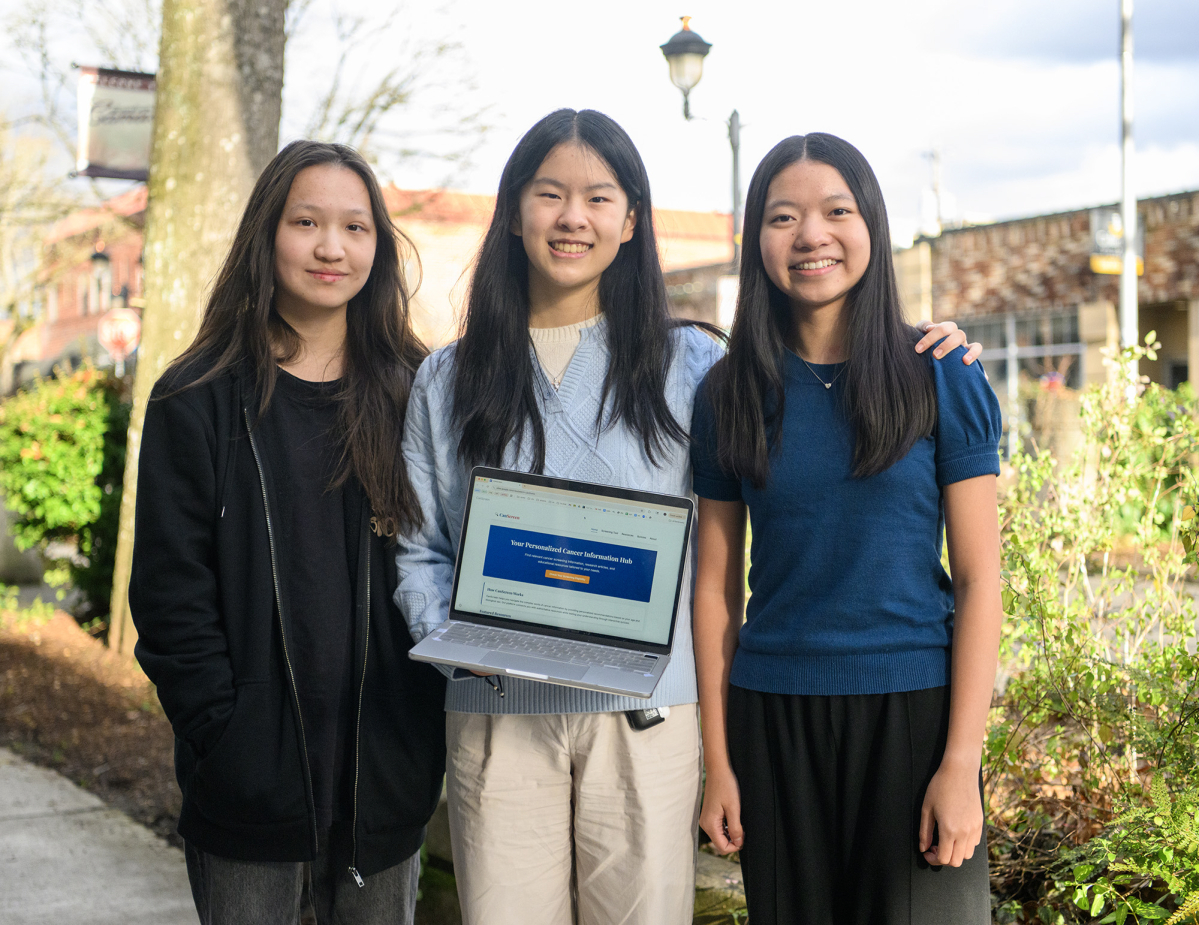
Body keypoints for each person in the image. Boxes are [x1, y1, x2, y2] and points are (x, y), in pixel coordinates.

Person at [395, 109, 981, 925]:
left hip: (647, 720)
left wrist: (936, 341)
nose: (573, 217)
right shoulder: (448, 377)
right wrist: (465, 648)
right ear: (514, 210)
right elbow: (420, 549)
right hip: (498, 708)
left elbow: (726, 557)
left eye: (598, 197)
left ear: (632, 220)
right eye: (549, 194)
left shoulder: (696, 366)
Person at [129, 140, 447, 925]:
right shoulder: (196, 397)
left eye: (355, 226)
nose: (331, 247)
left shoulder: (420, 394)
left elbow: (448, 560)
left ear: (378, 245)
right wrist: (221, 735)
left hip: (384, 778)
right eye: (306, 221)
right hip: (249, 785)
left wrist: (421, 730)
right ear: (267, 232)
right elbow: (171, 594)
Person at [691, 132, 1004, 925]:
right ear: (755, 239)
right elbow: (715, 589)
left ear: (871, 223)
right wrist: (718, 763)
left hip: (914, 713)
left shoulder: (940, 373)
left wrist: (960, 763)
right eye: (781, 216)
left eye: (835, 210)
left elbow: (978, 580)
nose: (810, 236)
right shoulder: (728, 393)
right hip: (774, 716)